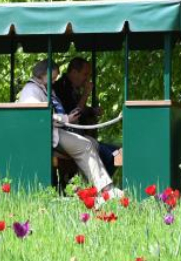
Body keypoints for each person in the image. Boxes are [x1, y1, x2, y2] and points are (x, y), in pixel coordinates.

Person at [18, 59, 117, 195]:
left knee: (93, 143)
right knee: (86, 145)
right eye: (52, 78)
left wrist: (68, 117)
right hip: (46, 136)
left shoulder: (45, 88)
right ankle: (106, 190)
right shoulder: (31, 91)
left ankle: (87, 191)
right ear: (42, 75)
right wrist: (66, 119)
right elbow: (38, 117)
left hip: (55, 132)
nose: (54, 82)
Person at [52, 56, 119, 174]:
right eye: (85, 74)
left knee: (116, 153)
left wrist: (93, 111)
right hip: (69, 137)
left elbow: (81, 109)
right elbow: (74, 113)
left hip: (81, 136)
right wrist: (86, 93)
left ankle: (97, 188)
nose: (87, 78)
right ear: (73, 72)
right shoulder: (61, 88)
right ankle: (98, 189)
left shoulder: (73, 87)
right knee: (113, 155)